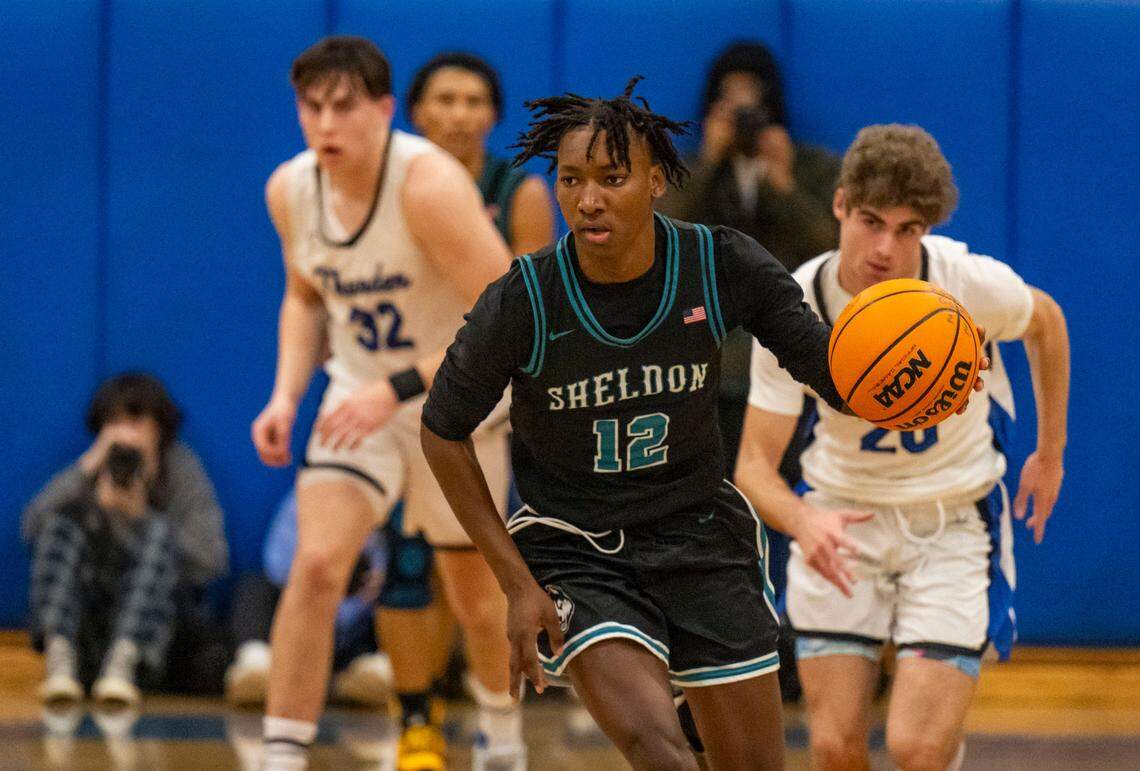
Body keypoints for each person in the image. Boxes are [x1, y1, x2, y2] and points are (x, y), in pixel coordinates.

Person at [419, 77, 890, 771]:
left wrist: (905, 388)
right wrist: (517, 581)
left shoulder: (718, 262)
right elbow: (441, 429)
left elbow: (828, 371)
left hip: (699, 534)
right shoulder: (524, 298)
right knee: (656, 747)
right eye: (571, 179)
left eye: (612, 178)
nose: (587, 199)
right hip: (576, 547)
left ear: (659, 180)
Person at [736, 124, 1068, 770]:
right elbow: (751, 463)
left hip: (950, 521)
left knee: (917, 748)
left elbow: (1047, 321)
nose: (886, 247)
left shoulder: (964, 285)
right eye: (870, 221)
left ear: (928, 231)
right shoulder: (795, 306)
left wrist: (1049, 451)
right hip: (841, 514)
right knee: (834, 748)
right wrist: (804, 520)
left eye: (908, 228)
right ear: (839, 205)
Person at [250, 36, 520, 771]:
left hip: (458, 401)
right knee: (315, 564)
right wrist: (285, 394)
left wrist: (398, 386)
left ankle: (501, 729)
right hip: (358, 398)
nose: (326, 123)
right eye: (312, 107)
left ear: (384, 110)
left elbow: (505, 320)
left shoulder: (427, 186)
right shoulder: (290, 189)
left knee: (473, 597)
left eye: (344, 107)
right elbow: (305, 295)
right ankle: (281, 752)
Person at [658, 40, 841, 480]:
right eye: (729, 100)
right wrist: (708, 160)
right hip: (703, 362)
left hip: (788, 352)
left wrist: (782, 184)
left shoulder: (811, 167)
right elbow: (656, 235)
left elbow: (833, 251)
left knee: (779, 487)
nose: (742, 116)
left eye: (752, 101)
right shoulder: (686, 170)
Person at [23, 372, 228, 706]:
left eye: (135, 420)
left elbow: (213, 559)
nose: (126, 433)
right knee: (63, 522)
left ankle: (125, 660)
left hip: (155, 633)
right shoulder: (90, 470)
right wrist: (87, 472)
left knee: (158, 532)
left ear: (158, 427)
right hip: (87, 627)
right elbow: (32, 528)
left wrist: (140, 517)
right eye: (115, 422)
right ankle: (60, 657)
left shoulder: (180, 469)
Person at [224, 488, 398, 708]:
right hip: (296, 621)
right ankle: (257, 661)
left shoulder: (390, 509)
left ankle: (369, 669)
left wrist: (364, 588)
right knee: (254, 587)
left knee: (399, 598)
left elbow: (389, 572)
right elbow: (277, 564)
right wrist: (324, 580)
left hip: (354, 626)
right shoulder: (308, 493)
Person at [408, 51, 555, 255]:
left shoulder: (521, 191)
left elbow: (532, 285)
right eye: (446, 100)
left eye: (474, 101)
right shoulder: (392, 183)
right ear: (417, 112)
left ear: (493, 115)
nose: (460, 115)